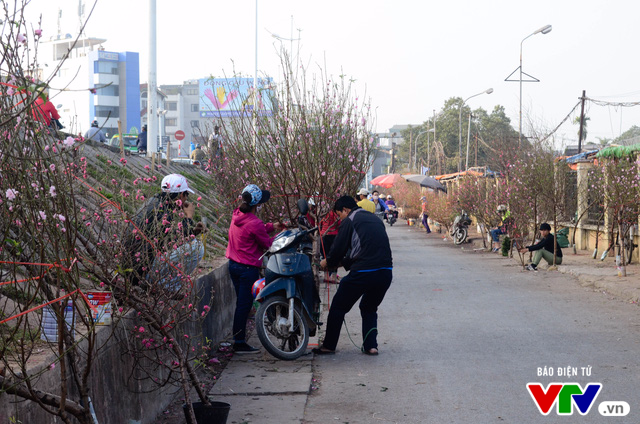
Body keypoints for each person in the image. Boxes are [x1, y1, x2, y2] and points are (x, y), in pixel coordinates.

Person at [315, 195, 393, 356]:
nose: (339, 219)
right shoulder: (374, 219)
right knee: (369, 307)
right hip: (385, 272)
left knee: (338, 307)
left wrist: (328, 262)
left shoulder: (350, 220)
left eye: (339, 215)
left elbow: (338, 249)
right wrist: (344, 262)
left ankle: (329, 345)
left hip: (364, 272)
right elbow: (365, 249)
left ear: (345, 210)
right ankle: (371, 346)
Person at [123, 174, 206, 293]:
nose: (186, 200)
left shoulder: (155, 203)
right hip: (142, 272)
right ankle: (167, 287)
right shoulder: (162, 212)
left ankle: (160, 285)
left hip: (134, 270)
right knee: (196, 247)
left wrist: (193, 232)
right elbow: (174, 244)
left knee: (191, 244)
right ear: (181, 194)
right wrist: (188, 217)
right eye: (186, 195)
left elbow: (171, 241)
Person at [226, 184, 283, 353]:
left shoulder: (237, 214)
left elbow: (252, 229)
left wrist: (272, 226)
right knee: (244, 306)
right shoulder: (255, 223)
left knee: (241, 305)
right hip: (247, 269)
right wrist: (280, 236)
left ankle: (238, 338)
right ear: (257, 205)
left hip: (233, 265)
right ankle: (239, 342)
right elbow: (267, 244)